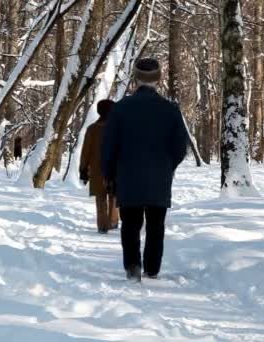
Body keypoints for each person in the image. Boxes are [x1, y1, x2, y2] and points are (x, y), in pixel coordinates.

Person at [101, 58, 188, 282]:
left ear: (135, 78)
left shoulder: (120, 109)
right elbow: (180, 146)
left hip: (128, 177)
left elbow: (109, 145)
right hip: (159, 178)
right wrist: (168, 165)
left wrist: (109, 173)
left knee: (130, 224)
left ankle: (133, 268)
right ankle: (152, 269)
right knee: (156, 225)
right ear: (158, 79)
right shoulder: (170, 110)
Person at [80, 99, 120, 234]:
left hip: (97, 169)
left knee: (100, 197)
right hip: (115, 168)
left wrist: (83, 169)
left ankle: (102, 225)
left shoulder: (92, 129)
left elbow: (85, 150)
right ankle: (113, 221)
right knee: (114, 195)